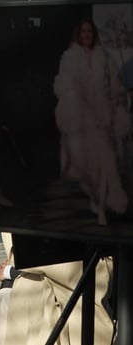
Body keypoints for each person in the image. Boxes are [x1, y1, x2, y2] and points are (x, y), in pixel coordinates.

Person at [54, 18, 130, 225]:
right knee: (89, 170)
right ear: (78, 34)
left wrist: (116, 107)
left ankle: (103, 210)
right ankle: (97, 202)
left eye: (90, 31)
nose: (87, 35)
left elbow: (114, 86)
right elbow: (64, 89)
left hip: (102, 119)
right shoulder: (70, 57)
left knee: (106, 163)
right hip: (81, 122)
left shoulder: (103, 57)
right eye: (83, 31)